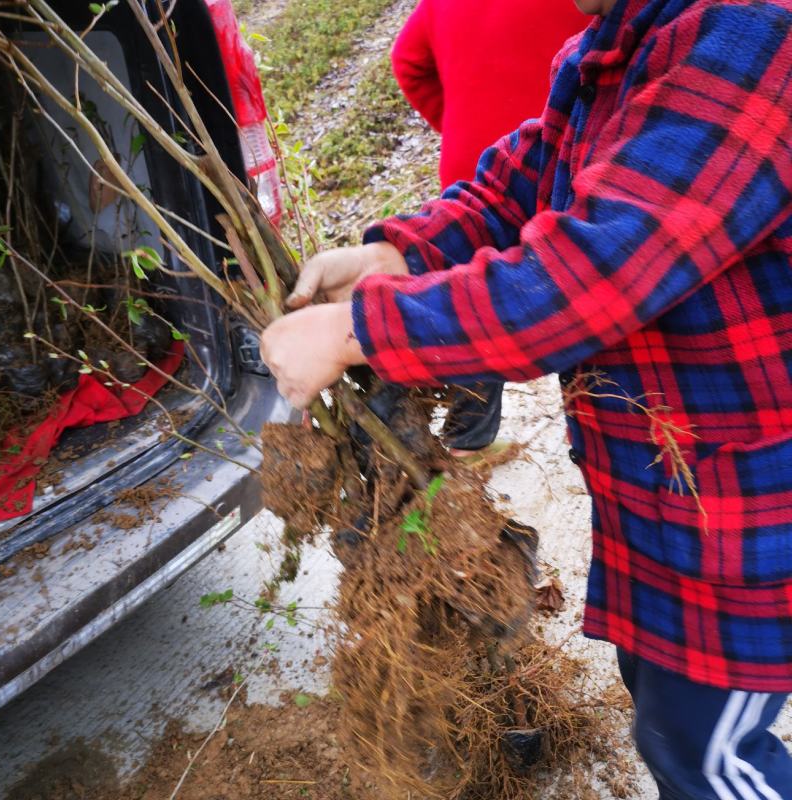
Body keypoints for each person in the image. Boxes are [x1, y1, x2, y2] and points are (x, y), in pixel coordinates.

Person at [263, 0, 792, 796]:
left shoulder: (755, 43)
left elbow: (592, 272)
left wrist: (359, 332)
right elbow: (527, 183)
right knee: (666, 718)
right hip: (666, 505)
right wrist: (396, 254)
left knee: (707, 757)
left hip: (748, 516)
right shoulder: (621, 46)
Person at [389, 0, 584, 458]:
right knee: (578, 286)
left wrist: (458, 121)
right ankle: (589, 434)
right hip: (565, 162)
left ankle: (466, 442)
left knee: (474, 291)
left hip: (475, 172)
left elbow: (408, 62)